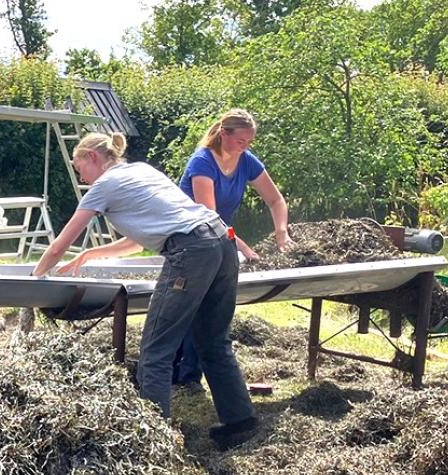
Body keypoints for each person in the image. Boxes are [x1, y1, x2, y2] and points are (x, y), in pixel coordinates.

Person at [31, 132, 257, 447]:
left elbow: (58, 246)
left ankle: (155, 442)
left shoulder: (103, 186)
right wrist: (90, 254)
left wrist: (34, 278)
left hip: (191, 249)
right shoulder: (141, 171)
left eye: (78, 165)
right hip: (222, 240)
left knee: (155, 350)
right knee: (213, 340)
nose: (80, 175)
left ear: (93, 158)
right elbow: (137, 242)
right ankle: (241, 422)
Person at [172, 109, 293, 392]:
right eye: (241, 141)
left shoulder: (246, 161)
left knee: (211, 306)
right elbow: (209, 216)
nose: (246, 147)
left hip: (219, 239)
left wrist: (281, 232)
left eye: (249, 142)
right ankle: (184, 375)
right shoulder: (202, 162)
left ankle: (188, 374)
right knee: (194, 304)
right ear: (224, 134)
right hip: (189, 240)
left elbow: (275, 200)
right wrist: (242, 246)